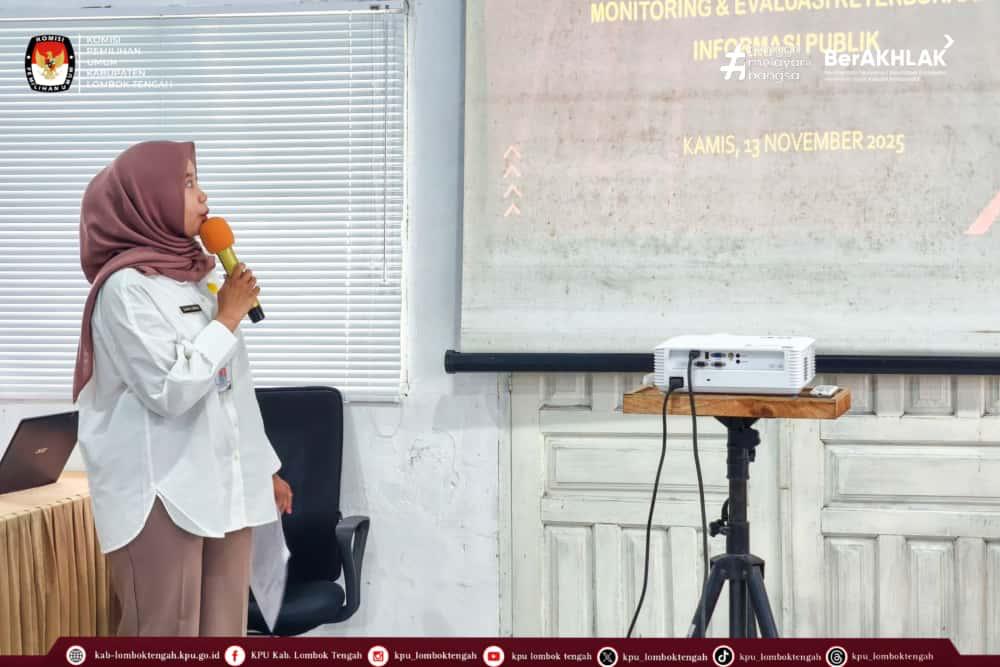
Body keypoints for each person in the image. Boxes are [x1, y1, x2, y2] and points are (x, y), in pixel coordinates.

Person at [72, 140, 292, 636]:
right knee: (167, 635)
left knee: (224, 631)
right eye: (188, 183)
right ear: (148, 199)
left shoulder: (201, 278)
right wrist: (227, 318)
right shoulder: (125, 289)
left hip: (225, 483)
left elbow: (233, 389)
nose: (203, 196)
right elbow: (169, 393)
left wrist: (263, 468)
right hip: (162, 492)